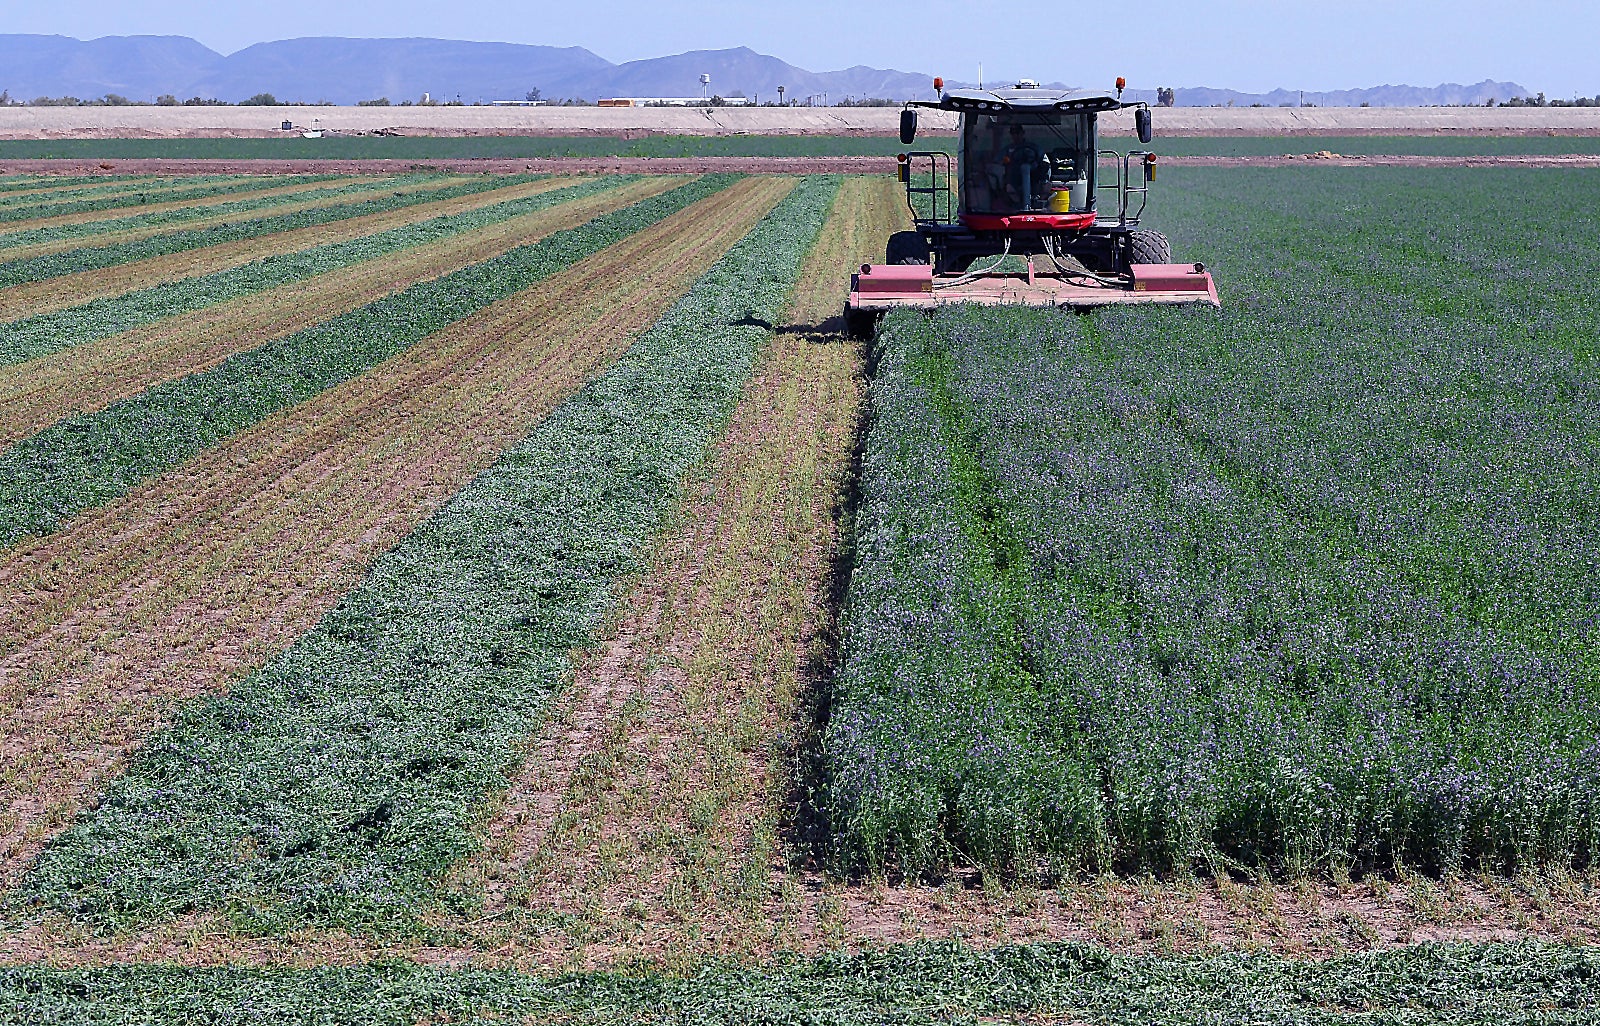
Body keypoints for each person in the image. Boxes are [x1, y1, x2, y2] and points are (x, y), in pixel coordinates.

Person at [1002, 124, 1042, 210]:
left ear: (1023, 133)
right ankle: (1016, 204)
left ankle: (1037, 201)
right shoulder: (1008, 149)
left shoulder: (1034, 147)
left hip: (1034, 177)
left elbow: (1043, 160)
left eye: (1018, 133)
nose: (1015, 136)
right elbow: (998, 161)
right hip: (1013, 178)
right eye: (1013, 133)